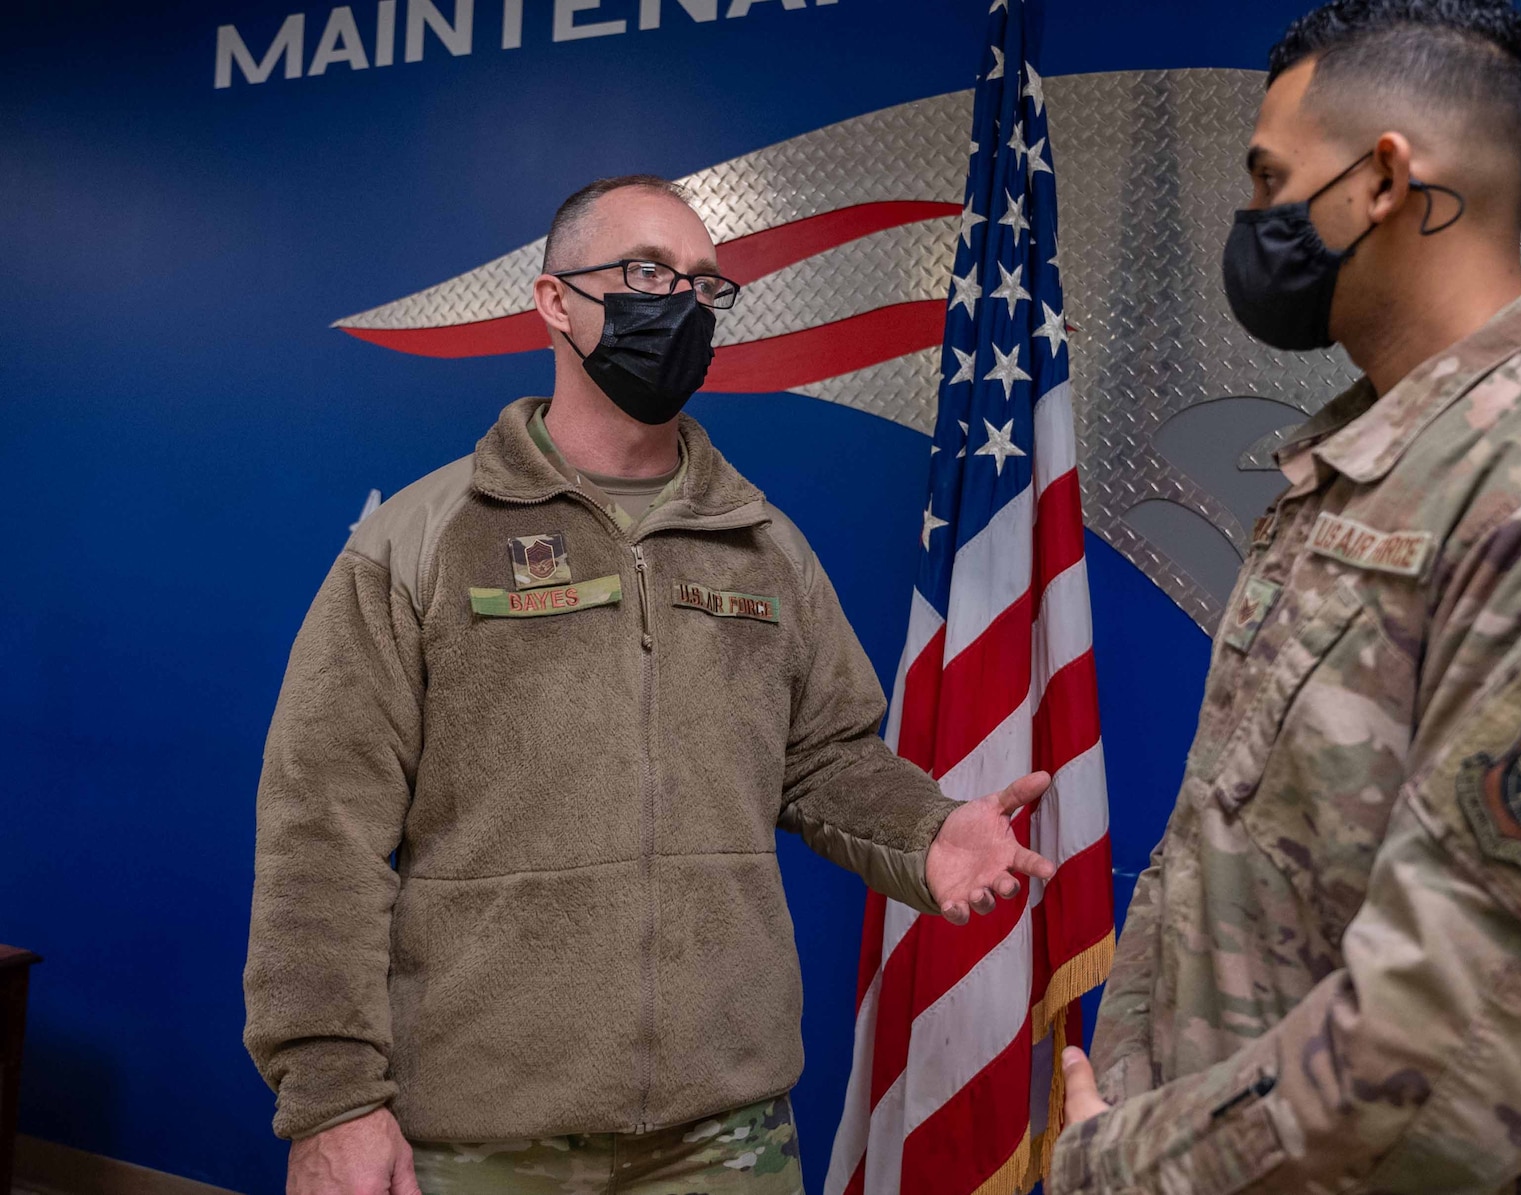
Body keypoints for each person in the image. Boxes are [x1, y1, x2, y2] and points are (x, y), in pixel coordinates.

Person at [1052, 2, 1521, 1192]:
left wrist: (1126, 1168)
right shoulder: (1368, 466)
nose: (1255, 217)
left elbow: (1457, 1048)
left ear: (1383, 178)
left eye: (1272, 176)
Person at [245, 174, 1056, 1195]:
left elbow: (825, 757)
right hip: (481, 1130)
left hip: (723, 1130)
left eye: (703, 285)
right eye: (644, 272)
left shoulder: (761, 544)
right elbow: (322, 831)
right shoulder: (419, 541)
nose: (678, 303)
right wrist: (331, 1099)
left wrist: (926, 833)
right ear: (553, 300)